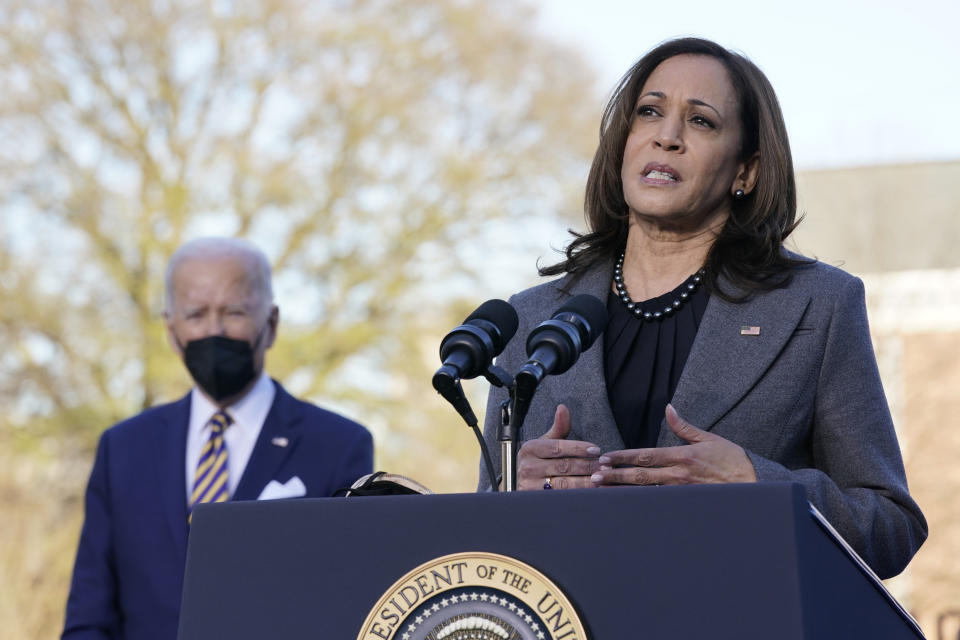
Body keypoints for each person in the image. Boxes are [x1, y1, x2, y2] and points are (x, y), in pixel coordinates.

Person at [481, 37, 926, 579]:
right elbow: (482, 541)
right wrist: (512, 489)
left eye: (701, 122)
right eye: (650, 112)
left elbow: (889, 527)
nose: (666, 137)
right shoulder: (531, 319)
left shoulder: (818, 306)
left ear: (747, 172)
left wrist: (757, 485)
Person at [63, 237, 373, 639]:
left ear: (272, 324)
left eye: (234, 312)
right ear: (171, 330)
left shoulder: (338, 446)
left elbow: (351, 608)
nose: (214, 330)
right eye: (196, 314)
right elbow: (89, 618)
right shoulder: (122, 450)